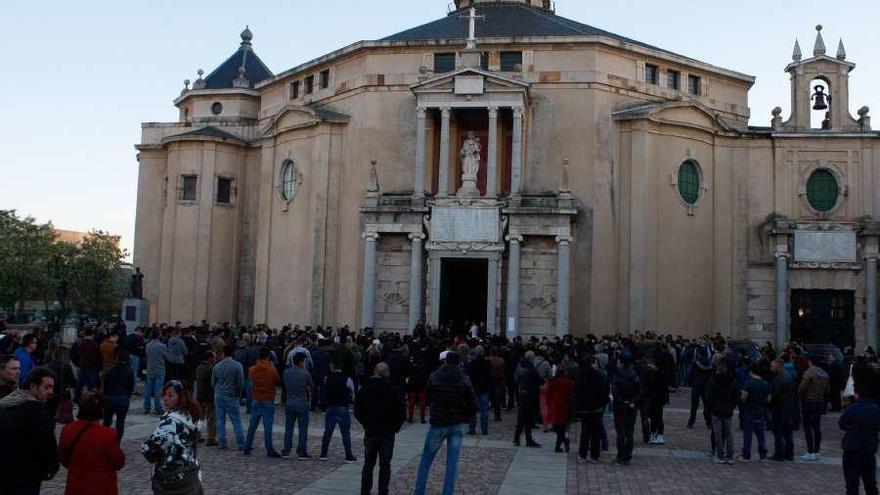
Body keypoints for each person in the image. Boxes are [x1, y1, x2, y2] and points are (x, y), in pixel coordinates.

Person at [413, 352, 477, 495]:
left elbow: (428, 395)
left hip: (438, 422)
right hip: (456, 422)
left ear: (445, 362)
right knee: (452, 464)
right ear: (459, 363)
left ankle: (419, 492)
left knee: (425, 461)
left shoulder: (435, 376)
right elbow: (473, 403)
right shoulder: (463, 379)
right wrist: (464, 416)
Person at [0, 367, 59, 495]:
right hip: (27, 474)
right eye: (46, 387)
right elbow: (46, 442)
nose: (51, 392)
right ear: (33, 386)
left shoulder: (6, 404)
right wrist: (52, 467)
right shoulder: (36, 410)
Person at [141, 380, 204, 495]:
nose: (165, 398)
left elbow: (149, 451)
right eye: (164, 394)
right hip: (190, 475)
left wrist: (146, 445)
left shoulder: (170, 423)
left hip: (171, 480)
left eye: (170, 395)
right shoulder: (193, 417)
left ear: (181, 397)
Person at [58, 393, 126, 495]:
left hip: (75, 486)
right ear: (101, 410)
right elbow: (119, 462)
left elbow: (63, 458)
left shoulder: (67, 430)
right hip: (101, 487)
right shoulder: (107, 434)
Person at [355, 362, 406, 495]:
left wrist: (365, 423)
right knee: (385, 465)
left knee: (368, 464)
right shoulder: (393, 390)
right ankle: (383, 491)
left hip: (371, 429)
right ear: (387, 373)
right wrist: (396, 427)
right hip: (387, 431)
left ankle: (365, 491)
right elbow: (401, 412)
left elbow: (357, 409)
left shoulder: (365, 388)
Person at [839, 381, 880, 495]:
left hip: (852, 448)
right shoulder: (876, 409)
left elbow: (842, 424)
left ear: (857, 394)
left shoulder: (853, 408)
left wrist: (851, 427)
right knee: (870, 483)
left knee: (852, 484)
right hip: (869, 448)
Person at [244, 346, 282, 458]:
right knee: (268, 427)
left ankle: (247, 447)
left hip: (256, 399)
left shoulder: (252, 369)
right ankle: (269, 449)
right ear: (268, 356)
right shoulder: (271, 369)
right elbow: (277, 380)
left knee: (252, 426)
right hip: (268, 400)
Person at [320, 360, 357, 462]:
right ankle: (348, 455)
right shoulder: (347, 379)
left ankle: (323, 454)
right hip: (343, 408)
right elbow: (352, 394)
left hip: (330, 407)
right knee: (345, 433)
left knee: (328, 432)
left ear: (332, 367)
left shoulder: (327, 379)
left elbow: (324, 391)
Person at [212, 343, 246, 450]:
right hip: (231, 395)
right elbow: (240, 383)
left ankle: (222, 442)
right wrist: (239, 394)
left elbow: (213, 382)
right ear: (233, 353)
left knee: (220, 419)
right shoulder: (237, 366)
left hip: (219, 395)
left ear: (223, 353)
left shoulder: (217, 366)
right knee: (236, 420)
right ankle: (241, 443)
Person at [575, 354, 608, 463]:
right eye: (595, 363)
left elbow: (576, 391)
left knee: (585, 432)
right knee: (595, 433)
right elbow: (602, 392)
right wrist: (604, 403)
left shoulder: (579, 375)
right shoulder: (598, 376)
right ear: (591, 364)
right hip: (596, 408)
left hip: (583, 408)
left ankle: (582, 455)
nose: (596, 365)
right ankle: (594, 456)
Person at [611, 351, 641, 465]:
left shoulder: (617, 376)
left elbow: (615, 392)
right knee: (629, 432)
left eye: (618, 361)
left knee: (621, 433)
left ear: (622, 363)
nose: (617, 363)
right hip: (631, 408)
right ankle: (627, 456)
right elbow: (639, 392)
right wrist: (632, 402)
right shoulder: (635, 376)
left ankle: (620, 456)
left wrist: (624, 402)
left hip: (620, 407)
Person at [799, 355, 831, 461]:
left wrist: (800, 395)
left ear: (810, 361)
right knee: (817, 427)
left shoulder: (809, 373)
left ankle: (810, 451)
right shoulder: (824, 373)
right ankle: (816, 451)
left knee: (807, 427)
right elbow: (827, 390)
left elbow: (802, 388)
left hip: (809, 401)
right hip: (819, 401)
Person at [144, 331, 184, 415]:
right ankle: (157, 407)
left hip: (150, 369)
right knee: (158, 389)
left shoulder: (148, 345)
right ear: (159, 336)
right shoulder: (162, 346)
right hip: (159, 369)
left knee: (148, 389)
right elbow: (168, 357)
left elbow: (147, 356)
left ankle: (146, 407)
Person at [706, 361, 738, 464]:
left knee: (718, 433)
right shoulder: (732, 380)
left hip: (716, 409)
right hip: (728, 409)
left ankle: (720, 455)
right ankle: (730, 456)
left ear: (717, 369)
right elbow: (736, 396)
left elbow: (709, 397)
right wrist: (732, 406)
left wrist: (710, 407)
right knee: (729, 434)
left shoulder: (713, 380)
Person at [283, 352, 313, 459]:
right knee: (303, 429)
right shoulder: (305, 374)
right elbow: (311, 387)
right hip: (302, 403)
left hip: (290, 402)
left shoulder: (286, 373)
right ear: (301, 362)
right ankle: (301, 451)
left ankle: (286, 450)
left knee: (289, 428)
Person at [101, 349, 135, 442]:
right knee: (120, 422)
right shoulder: (129, 371)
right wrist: (127, 396)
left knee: (107, 421)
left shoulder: (110, 370)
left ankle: (104, 439)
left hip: (111, 397)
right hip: (123, 398)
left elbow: (105, 385)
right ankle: (117, 442)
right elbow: (131, 386)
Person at [738, 364, 770, 462]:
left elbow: (743, 396)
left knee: (748, 434)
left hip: (749, 410)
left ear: (752, 372)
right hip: (760, 411)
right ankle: (763, 454)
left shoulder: (749, 383)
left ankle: (746, 454)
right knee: (761, 434)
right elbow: (768, 399)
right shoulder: (766, 383)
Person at [514, 350, 543, 447]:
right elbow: (539, 382)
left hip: (522, 394)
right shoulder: (532, 370)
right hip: (531, 396)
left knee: (521, 418)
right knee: (529, 420)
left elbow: (516, 378)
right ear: (532, 358)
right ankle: (528, 440)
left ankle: (516, 438)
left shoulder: (520, 367)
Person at [769, 358, 795, 461]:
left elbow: (774, 395)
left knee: (778, 431)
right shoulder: (788, 375)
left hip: (779, 408)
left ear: (778, 366)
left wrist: (768, 402)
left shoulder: (778, 379)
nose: (771, 368)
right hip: (788, 406)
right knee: (788, 431)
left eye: (772, 366)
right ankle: (789, 453)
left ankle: (779, 454)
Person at [546, 366, 575, 452]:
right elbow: (572, 394)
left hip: (555, 406)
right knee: (562, 427)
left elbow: (549, 394)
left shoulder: (553, 382)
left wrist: (548, 403)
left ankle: (560, 444)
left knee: (556, 427)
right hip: (565, 406)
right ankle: (562, 443)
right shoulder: (569, 382)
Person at [466, 345, 491, 435]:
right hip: (485, 389)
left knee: (473, 410)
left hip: (474, 389)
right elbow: (489, 376)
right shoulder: (487, 363)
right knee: (484, 411)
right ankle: (484, 430)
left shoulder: (472, 363)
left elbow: (468, 376)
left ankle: (472, 429)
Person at [195, 350, 217, 446]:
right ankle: (211, 438)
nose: (215, 359)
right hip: (209, 397)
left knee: (200, 418)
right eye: (214, 357)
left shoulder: (199, 367)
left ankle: (197, 435)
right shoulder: (211, 369)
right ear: (210, 358)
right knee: (211, 418)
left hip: (200, 396)